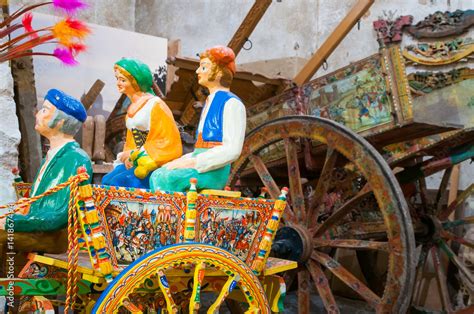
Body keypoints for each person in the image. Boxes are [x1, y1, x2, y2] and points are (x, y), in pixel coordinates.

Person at [0, 88, 92, 254]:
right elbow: (41, 203)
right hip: (39, 231)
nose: (38, 114)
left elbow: (58, 216)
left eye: (44, 110)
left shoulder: (76, 159)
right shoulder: (50, 157)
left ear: (60, 122)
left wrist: (12, 222)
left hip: (53, 237)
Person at [150, 46, 246, 192]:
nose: (197, 71)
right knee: (157, 173)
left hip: (213, 170)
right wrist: (183, 160)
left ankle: (173, 214)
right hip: (201, 164)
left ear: (219, 72)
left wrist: (194, 162)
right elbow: (200, 148)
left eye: (203, 67)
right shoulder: (209, 102)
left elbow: (232, 150)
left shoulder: (232, 103)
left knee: (166, 179)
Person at [102, 58, 182, 189]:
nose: (118, 83)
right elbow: (130, 140)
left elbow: (167, 140)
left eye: (123, 80)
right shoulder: (132, 107)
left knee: (119, 182)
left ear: (135, 82)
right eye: (117, 79)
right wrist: (127, 156)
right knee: (107, 179)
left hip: (152, 161)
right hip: (135, 160)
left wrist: (136, 153)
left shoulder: (155, 105)